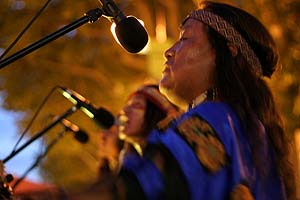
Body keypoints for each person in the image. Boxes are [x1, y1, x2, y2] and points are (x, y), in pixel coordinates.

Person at [118, 1, 296, 200]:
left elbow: (137, 186)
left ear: (226, 52)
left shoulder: (219, 118)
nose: (169, 51)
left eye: (185, 38)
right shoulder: (246, 127)